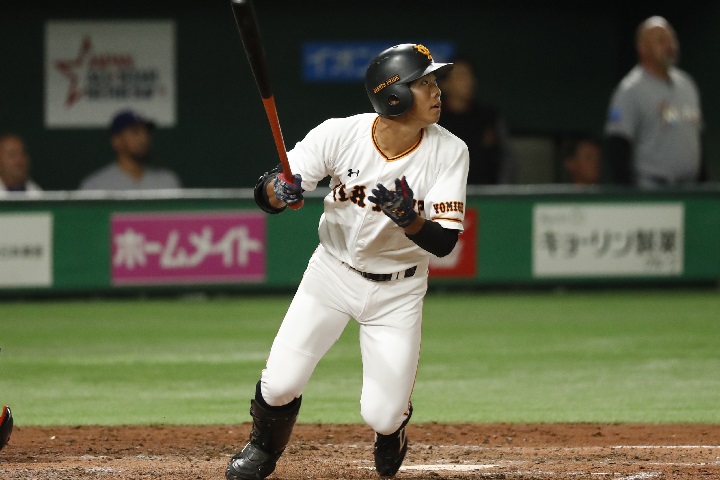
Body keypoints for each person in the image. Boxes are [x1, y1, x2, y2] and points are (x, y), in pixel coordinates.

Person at [224, 43, 468, 480]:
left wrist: (410, 221)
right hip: (332, 274)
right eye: (424, 83)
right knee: (279, 384)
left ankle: (393, 431)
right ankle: (262, 447)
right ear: (393, 95)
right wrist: (279, 191)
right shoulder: (340, 134)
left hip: (398, 290)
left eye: (435, 81)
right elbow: (270, 190)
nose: (437, 91)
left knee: (382, 414)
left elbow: (445, 242)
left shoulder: (450, 151)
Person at [603, 15, 705, 187]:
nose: (670, 45)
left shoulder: (687, 85)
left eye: (672, 39)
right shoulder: (630, 90)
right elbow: (618, 145)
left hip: (690, 189)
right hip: (652, 190)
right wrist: (629, 195)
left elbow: (698, 139)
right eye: (661, 40)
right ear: (642, 48)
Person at [437, 57, 514, 185]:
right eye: (461, 76)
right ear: (444, 84)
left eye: (470, 75)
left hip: (486, 193)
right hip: (444, 193)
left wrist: (500, 191)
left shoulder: (489, 117)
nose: (468, 81)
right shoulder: (433, 120)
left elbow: (506, 160)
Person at [79, 109, 181, 190]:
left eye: (146, 132)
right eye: (135, 132)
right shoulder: (95, 186)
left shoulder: (167, 182)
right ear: (117, 141)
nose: (144, 138)